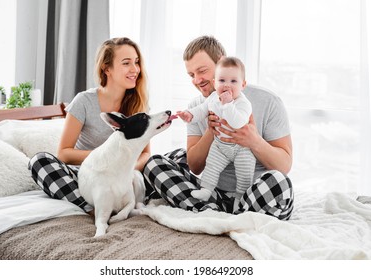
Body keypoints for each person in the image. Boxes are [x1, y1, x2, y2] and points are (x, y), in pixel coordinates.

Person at [143, 35, 294, 220]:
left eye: (202, 71)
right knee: (154, 165)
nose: (197, 80)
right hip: (215, 195)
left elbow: (284, 166)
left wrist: (254, 141)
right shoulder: (197, 106)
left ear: (221, 63)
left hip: (254, 195)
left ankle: (225, 216)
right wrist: (211, 130)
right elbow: (195, 166)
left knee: (279, 184)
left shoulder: (267, 101)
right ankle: (226, 216)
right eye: (191, 75)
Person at [28, 37, 149, 213]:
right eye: (126, 63)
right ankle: (90, 209)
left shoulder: (138, 104)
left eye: (137, 62)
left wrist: (126, 168)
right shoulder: (84, 101)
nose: (135, 69)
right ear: (106, 68)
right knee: (39, 161)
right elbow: (64, 153)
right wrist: (106, 159)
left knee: (172, 158)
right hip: (87, 176)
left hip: (124, 177)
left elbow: (146, 154)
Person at [177, 56, 255, 208]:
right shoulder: (213, 98)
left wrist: (228, 105)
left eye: (233, 81)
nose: (227, 85)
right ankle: (206, 189)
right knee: (212, 165)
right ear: (215, 82)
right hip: (220, 145)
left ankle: (240, 198)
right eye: (222, 81)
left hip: (241, 148)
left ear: (243, 84)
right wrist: (189, 115)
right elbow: (201, 110)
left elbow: (238, 122)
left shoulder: (243, 103)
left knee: (245, 173)